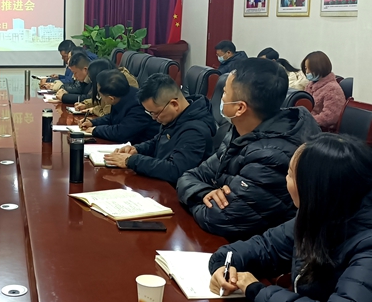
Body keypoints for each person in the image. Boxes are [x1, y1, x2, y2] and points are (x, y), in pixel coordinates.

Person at [208, 134, 372, 302]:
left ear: (313, 189)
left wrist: (256, 290)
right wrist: (223, 265)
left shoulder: (367, 247)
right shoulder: (318, 215)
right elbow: (265, 247)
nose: (286, 180)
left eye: (290, 174)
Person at [176, 58, 320, 241]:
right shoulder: (241, 131)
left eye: (225, 92)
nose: (221, 98)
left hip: (257, 251)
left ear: (240, 107)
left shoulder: (273, 156)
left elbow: (220, 219)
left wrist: (193, 197)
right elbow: (191, 175)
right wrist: (203, 193)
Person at [103, 74, 216, 186]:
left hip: (174, 191)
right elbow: (157, 141)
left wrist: (132, 161)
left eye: (155, 113)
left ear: (174, 104)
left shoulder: (195, 132)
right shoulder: (177, 116)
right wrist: (136, 149)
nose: (153, 118)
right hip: (159, 182)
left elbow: (175, 170)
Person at [79, 69, 158, 145]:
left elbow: (122, 133)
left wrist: (95, 130)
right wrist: (92, 122)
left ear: (111, 98)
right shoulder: (122, 94)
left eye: (100, 95)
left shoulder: (138, 106)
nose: (99, 97)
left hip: (142, 147)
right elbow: (112, 117)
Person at [301, 51, 346, 130]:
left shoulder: (333, 89)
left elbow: (330, 117)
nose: (307, 72)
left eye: (308, 68)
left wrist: (307, 121)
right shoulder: (310, 85)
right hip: (307, 125)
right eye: (305, 68)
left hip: (322, 130)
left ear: (318, 68)